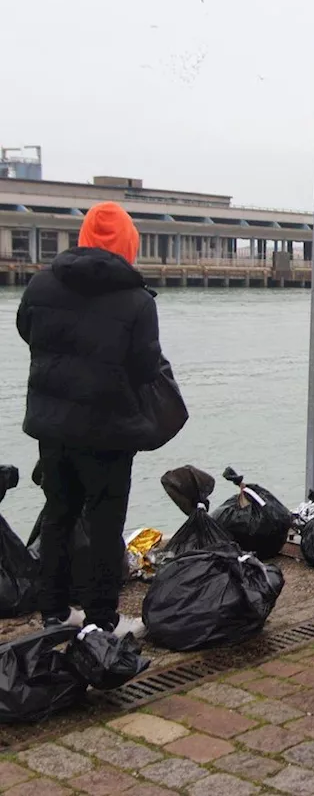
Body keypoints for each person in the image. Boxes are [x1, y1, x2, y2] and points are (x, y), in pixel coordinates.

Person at [16, 202, 164, 638]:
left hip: (53, 426)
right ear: (128, 245)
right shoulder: (137, 301)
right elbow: (145, 368)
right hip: (108, 431)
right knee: (105, 524)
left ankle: (55, 613)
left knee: (58, 515)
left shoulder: (41, 285)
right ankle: (103, 620)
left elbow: (27, 331)